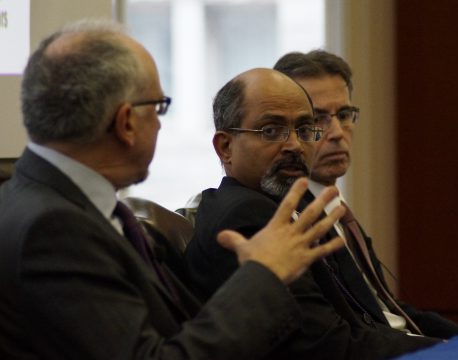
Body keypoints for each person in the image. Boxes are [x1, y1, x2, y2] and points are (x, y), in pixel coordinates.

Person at [0, 20, 348, 359]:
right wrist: (263, 276)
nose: (159, 124)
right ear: (126, 123)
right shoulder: (54, 229)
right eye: (157, 108)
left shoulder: (51, 201)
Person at [184, 67, 444, 360]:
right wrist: (455, 352)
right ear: (225, 147)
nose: (295, 145)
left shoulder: (288, 205)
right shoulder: (246, 215)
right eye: (271, 131)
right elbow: (325, 345)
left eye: (305, 130)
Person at [274, 50, 458, 338]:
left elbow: (389, 309)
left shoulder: (334, 206)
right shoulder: (289, 219)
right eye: (318, 119)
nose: (337, 132)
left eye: (344, 114)